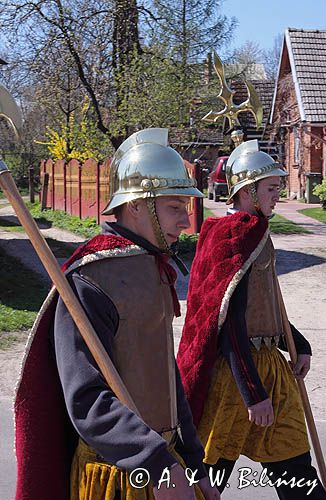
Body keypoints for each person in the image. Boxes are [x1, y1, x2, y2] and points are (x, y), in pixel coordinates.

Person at [14, 128, 220, 500]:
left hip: (168, 461)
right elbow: (86, 397)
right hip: (118, 473)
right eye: (175, 208)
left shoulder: (150, 265)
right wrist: (158, 466)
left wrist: (193, 463)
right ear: (137, 205)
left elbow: (164, 374)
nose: (186, 223)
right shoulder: (92, 278)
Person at [177, 140, 326, 499]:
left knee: (296, 471)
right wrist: (252, 393)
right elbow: (227, 320)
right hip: (235, 378)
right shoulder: (232, 235)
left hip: (271, 368)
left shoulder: (257, 229)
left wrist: (299, 344)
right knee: (209, 478)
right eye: (271, 189)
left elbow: (265, 304)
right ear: (247, 191)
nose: (278, 195)